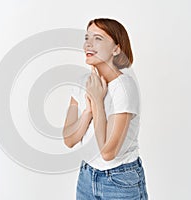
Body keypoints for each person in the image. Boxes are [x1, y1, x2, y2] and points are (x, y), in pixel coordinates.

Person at [62, 18, 148, 199]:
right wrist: (88, 111)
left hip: (120, 180)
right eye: (87, 37)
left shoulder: (124, 87)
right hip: (86, 175)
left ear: (116, 49)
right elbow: (69, 139)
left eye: (98, 39)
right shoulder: (81, 83)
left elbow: (108, 152)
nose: (88, 44)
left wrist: (98, 101)